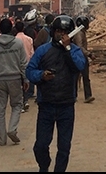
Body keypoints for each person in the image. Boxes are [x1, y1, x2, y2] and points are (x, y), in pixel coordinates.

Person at [26, 15, 87, 173]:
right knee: (40, 145)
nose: (61, 35)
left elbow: (79, 66)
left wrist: (67, 49)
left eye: (65, 32)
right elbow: (30, 70)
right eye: (59, 31)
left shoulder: (75, 51)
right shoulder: (43, 51)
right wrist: (41, 76)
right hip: (46, 105)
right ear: (53, 31)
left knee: (64, 147)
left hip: (66, 105)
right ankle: (44, 166)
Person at [0, 18, 29, 146]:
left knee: (0, 109)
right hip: (15, 78)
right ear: (12, 28)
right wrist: (26, 78)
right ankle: (12, 129)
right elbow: (23, 63)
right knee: (16, 105)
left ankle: (1, 139)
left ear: (0, 29)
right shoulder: (18, 43)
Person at [14, 20, 35, 112]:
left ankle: (20, 101)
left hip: (16, 63)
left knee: (19, 83)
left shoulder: (14, 40)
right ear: (23, 28)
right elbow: (32, 52)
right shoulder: (29, 39)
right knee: (26, 82)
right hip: (27, 62)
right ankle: (25, 100)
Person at [73, 16, 95, 103]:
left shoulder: (81, 32)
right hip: (80, 58)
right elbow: (80, 47)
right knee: (77, 77)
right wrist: (89, 54)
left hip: (81, 57)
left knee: (84, 77)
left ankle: (87, 96)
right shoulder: (79, 33)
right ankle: (75, 96)